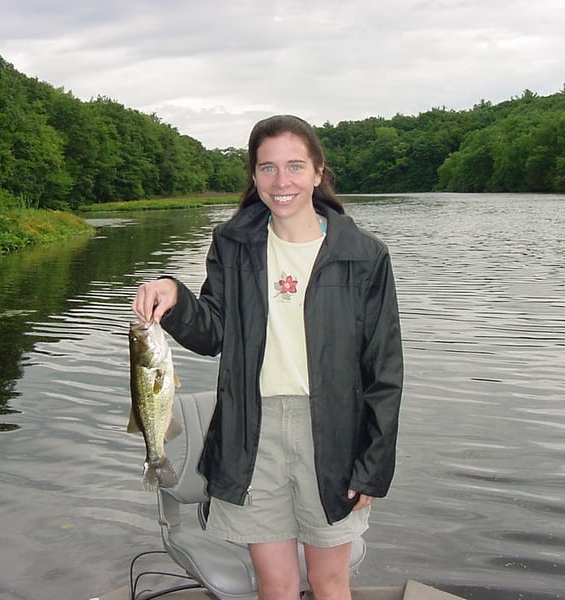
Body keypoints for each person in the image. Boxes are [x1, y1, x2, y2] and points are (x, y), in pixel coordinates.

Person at [133, 114, 403, 600]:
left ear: (318, 172)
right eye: (268, 168)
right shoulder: (232, 244)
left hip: (336, 435)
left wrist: (374, 464)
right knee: (275, 586)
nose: (282, 182)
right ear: (254, 176)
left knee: (329, 581)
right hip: (251, 431)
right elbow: (214, 331)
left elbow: (384, 372)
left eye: (295, 166)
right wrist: (174, 296)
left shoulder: (365, 255)